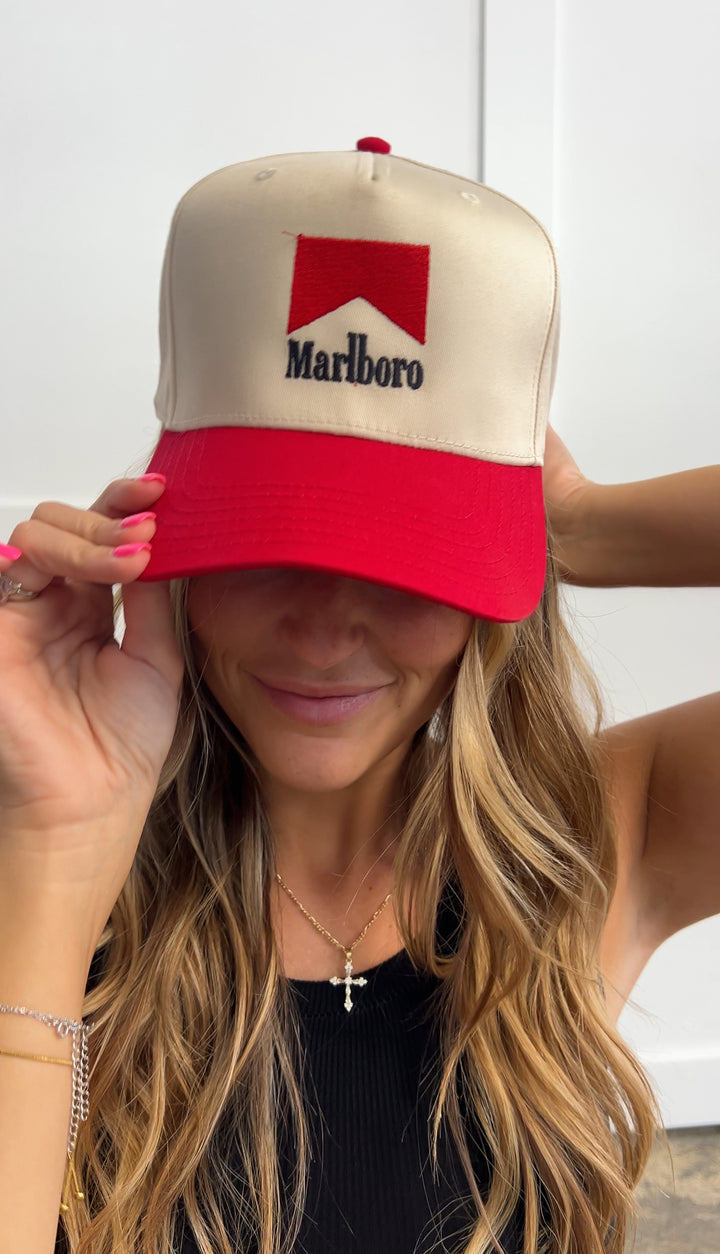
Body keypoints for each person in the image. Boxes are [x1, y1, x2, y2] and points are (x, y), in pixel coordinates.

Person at [0, 137, 717, 1254]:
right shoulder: (36, 852)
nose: (326, 629)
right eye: (265, 538)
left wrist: (584, 528)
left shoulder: (589, 845)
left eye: (407, 555)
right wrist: (51, 852)